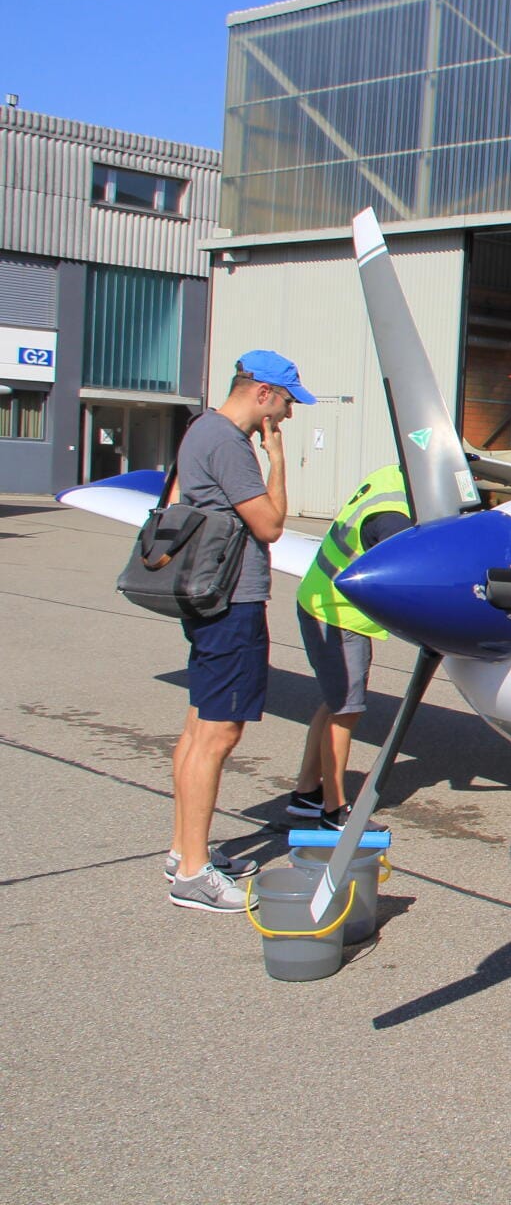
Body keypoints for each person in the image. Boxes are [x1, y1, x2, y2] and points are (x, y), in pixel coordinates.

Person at [165, 350, 315, 912]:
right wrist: (276, 460)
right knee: (219, 734)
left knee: (198, 725)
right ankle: (194, 874)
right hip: (232, 601)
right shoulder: (230, 443)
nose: (287, 416)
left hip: (208, 597)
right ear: (261, 393)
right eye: (286, 403)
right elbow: (271, 526)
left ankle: (186, 850)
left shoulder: (200, 429)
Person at [286, 465, 414, 829]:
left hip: (321, 601)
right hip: (336, 614)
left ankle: (306, 792)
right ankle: (334, 810)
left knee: (334, 702)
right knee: (347, 709)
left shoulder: (391, 477)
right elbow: (406, 572)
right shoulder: (393, 517)